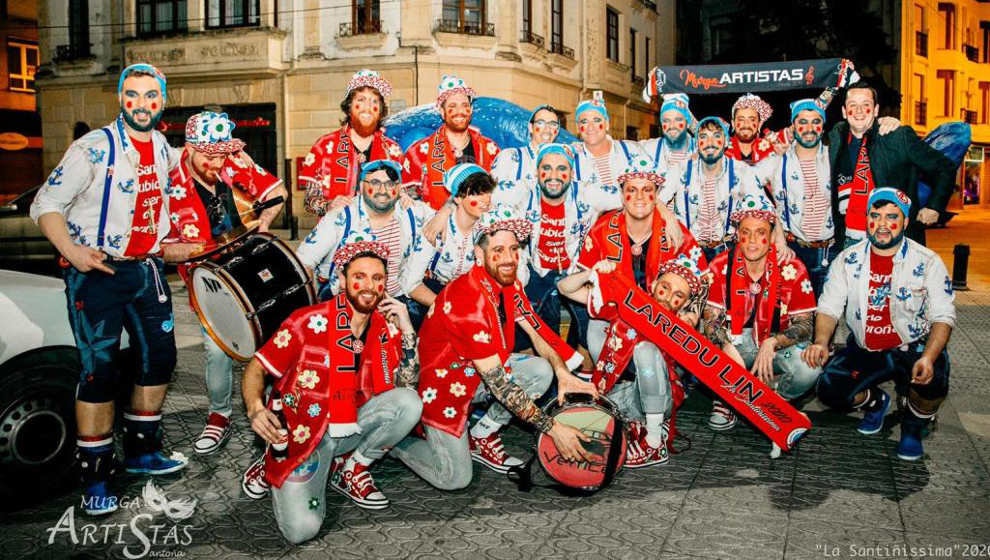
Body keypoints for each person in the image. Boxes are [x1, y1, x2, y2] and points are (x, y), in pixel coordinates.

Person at [29, 63, 185, 515]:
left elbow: (188, 173)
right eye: (132, 95)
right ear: (121, 98)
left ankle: (142, 453)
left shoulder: (160, 146)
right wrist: (73, 252)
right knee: (99, 371)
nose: (141, 104)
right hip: (96, 269)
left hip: (146, 268)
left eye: (150, 95)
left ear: (162, 101)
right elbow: (46, 203)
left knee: (159, 360)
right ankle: (95, 479)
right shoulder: (93, 148)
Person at [391, 205, 594, 488]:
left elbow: (537, 332)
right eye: (498, 250)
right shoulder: (467, 300)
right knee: (454, 479)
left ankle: (483, 434)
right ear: (479, 254)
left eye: (514, 249)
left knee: (541, 369)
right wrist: (554, 429)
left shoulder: (505, 283)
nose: (509, 258)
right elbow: (501, 386)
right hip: (443, 390)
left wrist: (562, 373)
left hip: (477, 374)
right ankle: (395, 442)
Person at [242, 240, 422, 543]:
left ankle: (352, 469)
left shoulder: (384, 328)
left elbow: (405, 388)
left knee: (409, 402)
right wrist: (255, 409)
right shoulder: (307, 322)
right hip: (302, 433)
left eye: (377, 279)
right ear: (342, 280)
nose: (369, 286)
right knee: (302, 530)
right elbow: (257, 367)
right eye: (360, 277)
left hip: (351, 425)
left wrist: (407, 331)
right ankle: (271, 462)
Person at [161, 111, 287, 455]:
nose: (216, 163)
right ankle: (219, 415)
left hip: (251, 273)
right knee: (218, 352)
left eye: (221, 154)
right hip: (210, 286)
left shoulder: (233, 163)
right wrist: (195, 249)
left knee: (273, 342)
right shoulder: (168, 184)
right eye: (208, 155)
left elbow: (278, 191)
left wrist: (263, 220)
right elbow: (157, 249)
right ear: (188, 149)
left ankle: (277, 409)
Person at [805, 188, 954, 461]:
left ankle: (913, 426)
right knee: (829, 387)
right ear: (867, 219)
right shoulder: (848, 260)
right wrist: (821, 342)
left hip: (912, 347)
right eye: (875, 216)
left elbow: (943, 316)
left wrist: (930, 358)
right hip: (867, 348)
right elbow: (829, 307)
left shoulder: (928, 262)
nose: (882, 224)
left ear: (905, 222)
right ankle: (876, 403)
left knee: (935, 380)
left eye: (891, 217)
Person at [557, 251, 708, 467]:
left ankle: (654, 441)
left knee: (645, 350)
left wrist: (690, 330)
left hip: (657, 398)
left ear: (684, 303)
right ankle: (636, 426)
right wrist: (591, 274)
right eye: (665, 287)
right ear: (654, 284)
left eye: (678, 295)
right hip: (616, 392)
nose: (667, 297)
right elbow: (564, 288)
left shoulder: (680, 326)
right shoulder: (629, 304)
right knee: (571, 425)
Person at [702, 193, 821, 433]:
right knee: (708, 350)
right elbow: (710, 322)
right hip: (736, 344)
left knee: (810, 367)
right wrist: (724, 348)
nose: (753, 240)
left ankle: (775, 399)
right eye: (746, 232)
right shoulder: (719, 266)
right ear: (737, 234)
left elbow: (805, 324)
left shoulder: (791, 267)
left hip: (775, 346)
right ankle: (727, 399)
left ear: (771, 235)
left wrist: (774, 342)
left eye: (761, 232)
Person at [493, 143, 622, 350]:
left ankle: (583, 369)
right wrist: (448, 208)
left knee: (588, 334)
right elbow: (478, 195)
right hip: (536, 270)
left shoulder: (587, 192)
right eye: (546, 168)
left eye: (562, 169)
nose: (554, 175)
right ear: (536, 172)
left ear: (571, 172)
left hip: (574, 270)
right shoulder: (523, 190)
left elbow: (634, 196)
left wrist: (666, 215)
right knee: (528, 335)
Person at [828, 82, 957, 247]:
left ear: (875, 110)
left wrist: (934, 206)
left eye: (865, 105)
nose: (859, 111)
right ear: (844, 112)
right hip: (848, 240)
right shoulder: (836, 137)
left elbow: (945, 167)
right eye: (853, 105)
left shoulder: (897, 136)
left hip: (894, 240)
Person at [297, 159, 434, 300]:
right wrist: (312, 305)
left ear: (399, 188)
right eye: (375, 183)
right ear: (361, 187)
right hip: (347, 303)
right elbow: (303, 262)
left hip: (398, 301)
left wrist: (445, 210)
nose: (383, 190)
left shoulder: (412, 213)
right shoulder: (342, 217)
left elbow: (451, 217)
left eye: (390, 184)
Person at [664, 116, 782, 263]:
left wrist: (780, 240)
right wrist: (669, 219)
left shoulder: (741, 171)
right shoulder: (680, 170)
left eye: (717, 136)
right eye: (703, 137)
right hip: (687, 250)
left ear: (726, 142)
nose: (710, 143)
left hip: (727, 252)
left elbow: (765, 207)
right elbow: (657, 200)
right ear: (696, 143)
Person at [578, 157, 700, 294]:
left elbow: (703, 283)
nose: (640, 196)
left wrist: (689, 312)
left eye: (647, 190)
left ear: (657, 195)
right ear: (622, 196)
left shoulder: (676, 232)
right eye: (632, 190)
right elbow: (582, 284)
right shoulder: (601, 229)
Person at [401, 163, 495, 329]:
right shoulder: (437, 229)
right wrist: (448, 307)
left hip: (476, 295)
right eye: (476, 194)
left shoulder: (491, 225)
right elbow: (411, 284)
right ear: (458, 198)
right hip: (436, 296)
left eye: (487, 192)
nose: (485, 200)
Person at [299, 69, 403, 216]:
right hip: (337, 233)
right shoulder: (324, 147)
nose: (367, 107)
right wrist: (328, 205)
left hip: (380, 234)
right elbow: (309, 202)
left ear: (380, 111)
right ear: (348, 107)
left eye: (374, 101)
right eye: (361, 100)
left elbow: (402, 196)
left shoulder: (393, 151)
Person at [401, 75, 500, 209]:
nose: (460, 111)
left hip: (481, 225)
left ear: (470, 110)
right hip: (436, 225)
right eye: (452, 106)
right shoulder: (419, 152)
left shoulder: (490, 149)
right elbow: (407, 196)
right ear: (442, 112)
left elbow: (500, 193)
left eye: (464, 105)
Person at [570, 91, 646, 191]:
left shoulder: (631, 150)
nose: (591, 127)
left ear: (607, 124)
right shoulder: (572, 160)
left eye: (597, 120)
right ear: (577, 127)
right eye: (584, 122)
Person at [490, 104, 563, 194]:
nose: (547, 129)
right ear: (530, 127)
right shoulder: (509, 157)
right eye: (541, 123)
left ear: (558, 131)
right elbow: (493, 195)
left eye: (553, 124)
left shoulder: (563, 163)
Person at [639, 93, 697, 181]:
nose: (672, 125)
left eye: (678, 120)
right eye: (666, 121)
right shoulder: (648, 149)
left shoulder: (700, 150)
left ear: (688, 123)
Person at [725, 93, 778, 165]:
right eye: (741, 119)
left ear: (759, 124)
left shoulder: (771, 150)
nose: (746, 124)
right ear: (733, 123)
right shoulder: (722, 149)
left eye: (752, 120)